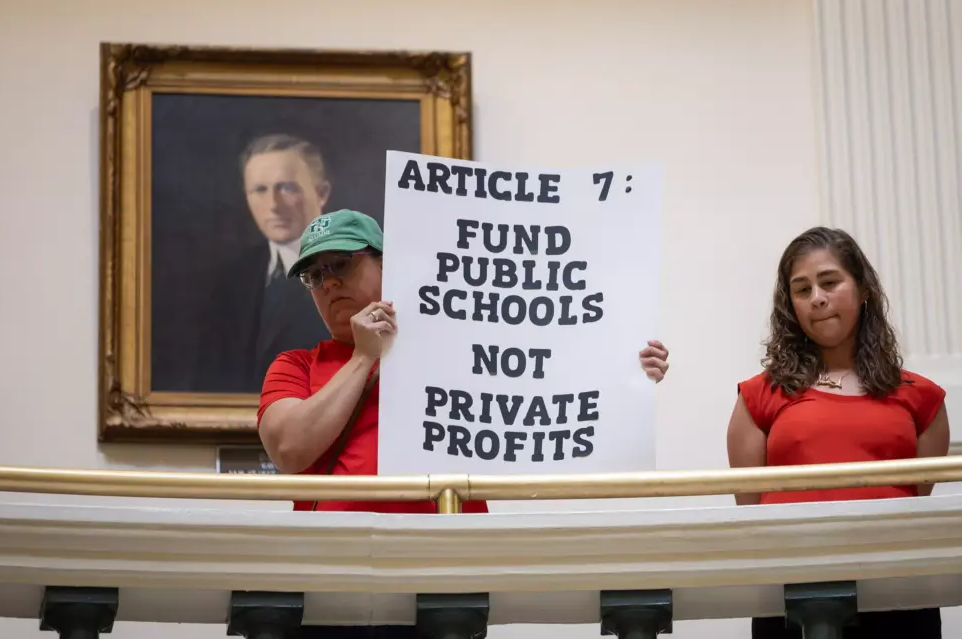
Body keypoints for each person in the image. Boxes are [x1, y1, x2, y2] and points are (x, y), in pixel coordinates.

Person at [258, 209, 672, 514]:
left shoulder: (462, 346)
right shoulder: (295, 365)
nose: (328, 282)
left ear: (388, 263)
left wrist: (625, 371)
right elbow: (289, 450)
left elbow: (549, 392)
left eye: (342, 264)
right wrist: (364, 357)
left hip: (446, 568)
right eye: (313, 275)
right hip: (332, 573)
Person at [726, 226, 950, 639]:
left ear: (862, 289)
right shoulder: (758, 396)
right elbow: (751, 511)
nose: (817, 298)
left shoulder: (923, 399)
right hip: (790, 597)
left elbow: (916, 501)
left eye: (830, 282)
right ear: (790, 305)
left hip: (899, 593)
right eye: (802, 289)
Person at [197, 134, 333, 393]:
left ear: (322, 193)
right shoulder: (230, 280)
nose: (273, 205)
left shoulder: (355, 272)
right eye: (260, 190)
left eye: (288, 188)